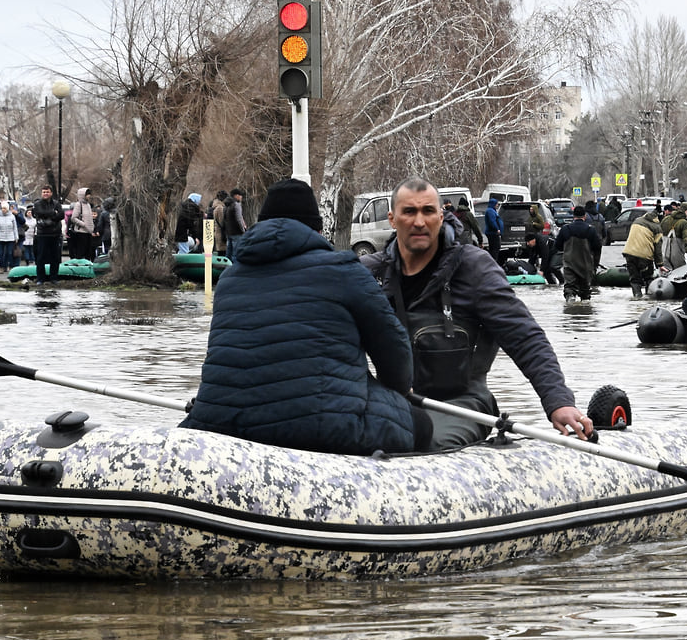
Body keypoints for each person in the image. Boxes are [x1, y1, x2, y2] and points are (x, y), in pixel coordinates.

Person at [182, 178, 429, 455]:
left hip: (219, 423)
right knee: (421, 424)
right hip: (327, 428)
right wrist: (396, 390)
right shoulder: (345, 271)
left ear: (259, 225)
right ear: (318, 230)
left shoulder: (228, 281)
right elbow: (394, 355)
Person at [361, 176, 594, 450]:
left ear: (441, 215)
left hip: (464, 405)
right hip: (393, 405)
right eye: (409, 212)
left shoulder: (475, 268)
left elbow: (525, 337)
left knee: (422, 445)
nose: (419, 222)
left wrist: (558, 401)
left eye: (428, 211)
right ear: (392, 218)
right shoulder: (368, 274)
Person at [554, 205, 602, 302]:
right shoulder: (590, 230)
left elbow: (557, 246)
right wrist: (595, 264)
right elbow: (597, 248)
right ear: (584, 216)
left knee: (569, 288)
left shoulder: (565, 229)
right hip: (585, 265)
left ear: (573, 216)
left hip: (569, 264)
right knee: (585, 292)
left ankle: (570, 301)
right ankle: (585, 310)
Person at [621, 209, 664, 299]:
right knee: (648, 277)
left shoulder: (637, 221)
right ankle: (649, 298)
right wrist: (660, 264)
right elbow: (658, 248)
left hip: (629, 253)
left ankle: (637, 296)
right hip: (644, 256)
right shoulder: (657, 228)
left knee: (634, 278)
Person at [32, 185, 64, 285]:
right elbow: (39, 212)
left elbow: (61, 215)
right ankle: (40, 278)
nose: (45, 194)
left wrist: (50, 216)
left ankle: (54, 278)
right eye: (44, 192)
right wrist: (53, 213)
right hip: (42, 234)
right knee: (40, 257)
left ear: (51, 193)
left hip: (55, 234)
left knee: (55, 257)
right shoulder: (37, 203)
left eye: (47, 192)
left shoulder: (56, 203)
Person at [660, 200, 687, 269]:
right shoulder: (684, 223)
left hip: (664, 252)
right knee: (678, 276)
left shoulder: (666, 219)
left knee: (665, 275)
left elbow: (659, 234)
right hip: (677, 256)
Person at [68, 188, 95, 260]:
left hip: (89, 232)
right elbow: (73, 218)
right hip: (81, 232)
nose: (89, 196)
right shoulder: (78, 204)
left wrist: (92, 227)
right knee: (80, 252)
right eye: (87, 194)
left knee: (88, 253)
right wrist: (83, 224)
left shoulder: (88, 205)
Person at [0, 200, 19, 271]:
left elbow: (15, 228)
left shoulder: (12, 216)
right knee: (0, 254)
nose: (3, 210)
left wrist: (16, 237)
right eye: (2, 208)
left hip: (10, 237)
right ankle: (2, 267)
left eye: (5, 208)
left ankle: (10, 266)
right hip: (1, 238)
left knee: (9, 253)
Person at [223, 188, 247, 254]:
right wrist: (243, 230)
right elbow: (239, 219)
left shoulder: (226, 205)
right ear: (236, 195)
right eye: (240, 195)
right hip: (237, 232)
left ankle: (227, 264)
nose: (241, 197)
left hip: (228, 232)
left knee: (229, 252)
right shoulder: (236, 205)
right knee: (236, 253)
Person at [484, 197, 502, 264]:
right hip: (492, 233)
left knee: (493, 249)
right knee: (495, 249)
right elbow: (492, 221)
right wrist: (497, 229)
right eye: (496, 204)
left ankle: (492, 263)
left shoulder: (491, 210)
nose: (497, 205)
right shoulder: (490, 211)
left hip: (492, 232)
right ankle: (493, 263)